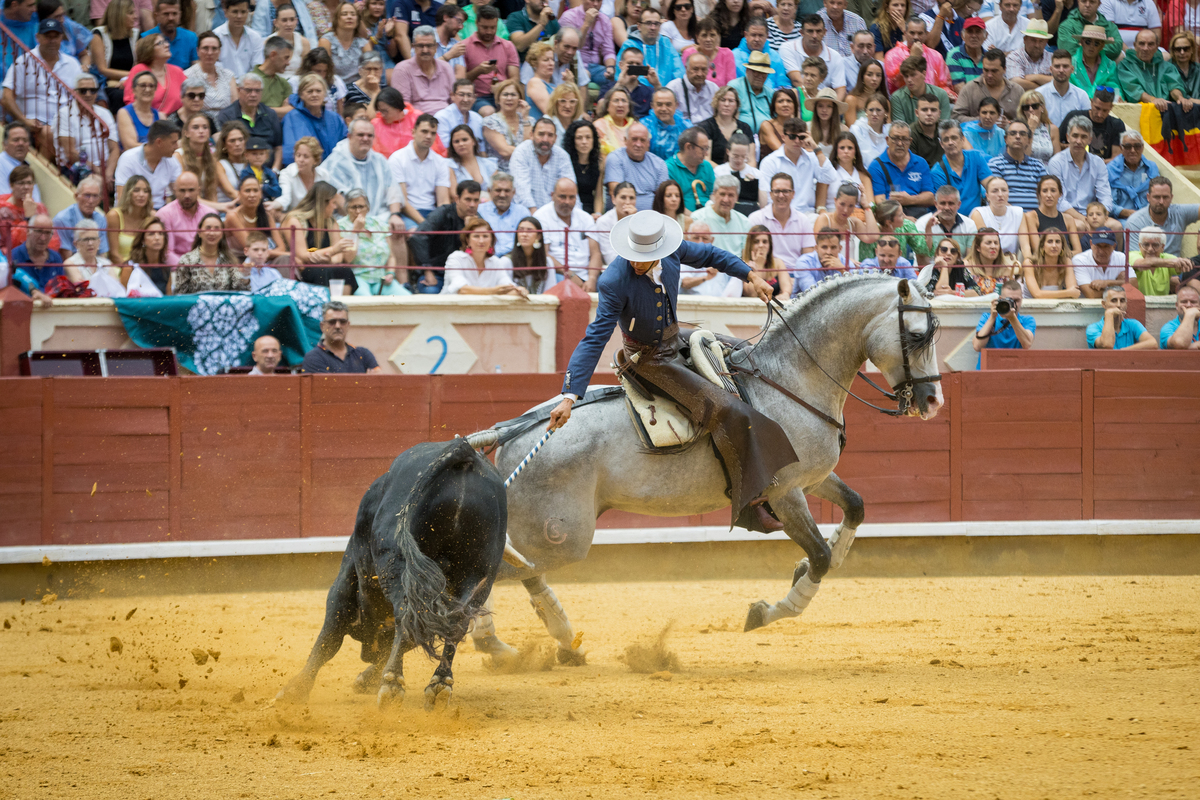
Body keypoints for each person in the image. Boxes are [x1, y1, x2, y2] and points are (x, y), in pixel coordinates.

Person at [549, 207, 788, 531]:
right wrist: (569, 396)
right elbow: (594, 339)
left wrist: (751, 275)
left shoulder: (673, 253)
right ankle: (750, 505)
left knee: (745, 353)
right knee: (732, 411)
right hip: (649, 361)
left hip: (675, 339)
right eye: (632, 255)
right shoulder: (614, 280)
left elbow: (712, 255)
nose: (635, 262)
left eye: (642, 257)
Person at [2, 19, 83, 143]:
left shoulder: (73, 64)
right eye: (47, 36)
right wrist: (23, 120)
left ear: (61, 37)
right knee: (48, 133)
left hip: (66, 124)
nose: (52, 41)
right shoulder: (24, 61)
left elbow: (81, 96)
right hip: (32, 125)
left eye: (56, 36)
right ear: (37, 37)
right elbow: (6, 96)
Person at [324, 118, 404, 233]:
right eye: (360, 135)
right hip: (346, 220)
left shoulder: (380, 160)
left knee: (398, 232)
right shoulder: (335, 163)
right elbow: (335, 197)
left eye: (369, 135)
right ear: (349, 136)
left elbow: (393, 190)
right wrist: (360, 221)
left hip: (379, 218)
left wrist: (395, 215)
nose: (365, 139)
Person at [281, 180, 358, 292]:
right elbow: (302, 254)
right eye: (333, 203)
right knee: (321, 271)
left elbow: (338, 257)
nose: (335, 207)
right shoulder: (295, 220)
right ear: (323, 203)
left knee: (344, 270)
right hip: (302, 269)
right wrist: (332, 250)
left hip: (324, 265)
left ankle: (341, 307)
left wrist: (326, 259)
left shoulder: (331, 222)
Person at [1047, 115, 1118, 233]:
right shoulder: (1056, 162)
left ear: (1090, 140)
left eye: (1083, 137)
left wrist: (1099, 216)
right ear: (1068, 137)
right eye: (1075, 136)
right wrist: (1085, 219)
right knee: (1079, 226)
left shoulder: (1098, 162)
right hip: (1065, 215)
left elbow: (1105, 196)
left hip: (1093, 215)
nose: (1078, 141)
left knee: (1116, 227)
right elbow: (1059, 201)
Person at [410, 180, 482, 292]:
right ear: (457, 199)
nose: (472, 205)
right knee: (431, 291)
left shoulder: (479, 221)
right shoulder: (442, 213)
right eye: (468, 199)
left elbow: (483, 252)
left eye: (476, 200)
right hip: (436, 273)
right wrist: (427, 270)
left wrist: (469, 230)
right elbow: (418, 237)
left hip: (464, 275)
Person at [534, 178, 601, 289]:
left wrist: (592, 279)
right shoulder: (541, 217)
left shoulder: (585, 218)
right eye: (562, 197)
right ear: (552, 196)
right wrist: (570, 274)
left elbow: (596, 253)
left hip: (587, 274)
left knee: (608, 285)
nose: (567, 202)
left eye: (572, 197)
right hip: (558, 274)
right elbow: (543, 255)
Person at [760, 117, 836, 215]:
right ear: (783, 137)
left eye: (801, 137)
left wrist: (816, 148)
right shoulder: (770, 162)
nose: (796, 141)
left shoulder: (812, 158)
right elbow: (767, 197)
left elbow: (830, 177)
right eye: (792, 136)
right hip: (780, 214)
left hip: (808, 215)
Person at [338, 188, 406, 295]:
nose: (357, 211)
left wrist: (390, 272)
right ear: (347, 209)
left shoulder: (378, 224)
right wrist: (355, 231)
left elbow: (391, 256)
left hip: (381, 278)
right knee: (366, 301)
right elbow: (348, 258)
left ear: (368, 208)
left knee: (406, 298)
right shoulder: (340, 226)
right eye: (353, 207)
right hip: (358, 278)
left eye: (361, 206)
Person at [53, 73, 117, 186]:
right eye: (83, 91)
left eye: (93, 90)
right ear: (74, 92)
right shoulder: (64, 114)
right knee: (96, 182)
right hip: (76, 168)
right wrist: (98, 171)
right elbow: (70, 153)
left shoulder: (104, 113)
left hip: (105, 169)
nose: (88, 94)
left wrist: (108, 173)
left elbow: (114, 148)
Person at [441, 216, 528, 297]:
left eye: (485, 236)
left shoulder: (495, 262)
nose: (481, 241)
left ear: (491, 240)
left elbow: (508, 287)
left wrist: (519, 290)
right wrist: (494, 291)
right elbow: (462, 290)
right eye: (476, 236)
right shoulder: (456, 258)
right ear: (468, 240)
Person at [391, 113, 451, 225]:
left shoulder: (440, 162)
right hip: (407, 214)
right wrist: (425, 224)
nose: (429, 136)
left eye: (433, 133)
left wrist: (441, 223)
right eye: (424, 131)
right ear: (413, 132)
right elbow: (402, 201)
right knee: (417, 235)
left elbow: (443, 202)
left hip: (433, 214)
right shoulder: (397, 158)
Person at [868, 120, 934, 217]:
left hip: (919, 216)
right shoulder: (876, 166)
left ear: (910, 141)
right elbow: (879, 202)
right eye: (895, 138)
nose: (899, 143)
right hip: (890, 217)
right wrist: (904, 219)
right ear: (887, 140)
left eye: (904, 139)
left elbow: (930, 197)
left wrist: (909, 200)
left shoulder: (921, 163)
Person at [510, 117, 576, 214]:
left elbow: (570, 189)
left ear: (555, 138)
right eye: (541, 134)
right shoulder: (521, 152)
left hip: (557, 215)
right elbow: (522, 192)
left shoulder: (562, 156)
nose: (545, 139)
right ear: (531, 135)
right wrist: (537, 220)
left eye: (550, 135)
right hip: (527, 216)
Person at [464, 5, 520, 116]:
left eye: (493, 27)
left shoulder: (508, 46)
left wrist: (501, 86)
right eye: (485, 27)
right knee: (489, 112)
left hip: (504, 95)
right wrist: (478, 71)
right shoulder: (464, 46)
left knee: (522, 110)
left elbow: (515, 78)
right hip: (477, 97)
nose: (489, 31)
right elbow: (460, 81)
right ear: (476, 24)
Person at [281, 74, 348, 165]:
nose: (314, 95)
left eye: (318, 91)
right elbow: (289, 153)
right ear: (301, 95)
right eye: (310, 91)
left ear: (324, 94)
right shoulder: (292, 117)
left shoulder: (335, 118)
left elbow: (345, 146)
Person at [114, 119, 181, 210]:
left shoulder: (172, 161)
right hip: (133, 211)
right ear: (159, 142)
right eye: (173, 143)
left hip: (160, 211)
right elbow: (121, 199)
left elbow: (181, 192)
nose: (177, 147)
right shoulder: (128, 159)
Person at [300, 300, 383, 373]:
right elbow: (329, 389)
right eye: (332, 322)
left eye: (342, 321)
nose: (338, 326)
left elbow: (379, 384)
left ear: (348, 325)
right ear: (322, 326)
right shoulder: (313, 358)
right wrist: (366, 383)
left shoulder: (364, 355)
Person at [604, 122, 669, 212]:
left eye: (642, 140)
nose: (638, 144)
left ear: (648, 143)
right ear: (625, 140)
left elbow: (663, 197)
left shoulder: (659, 164)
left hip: (653, 217)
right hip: (623, 216)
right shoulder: (615, 158)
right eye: (634, 139)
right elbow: (616, 193)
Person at [1118, 28, 1187, 113]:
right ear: (1135, 45)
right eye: (1141, 44)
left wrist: (1180, 98)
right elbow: (1135, 90)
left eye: (1150, 44)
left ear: (1157, 46)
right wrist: (1153, 99)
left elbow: (1174, 85)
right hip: (1138, 112)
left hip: (1166, 112)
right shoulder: (1125, 66)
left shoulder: (1167, 66)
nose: (1146, 48)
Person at [1128, 178, 1200, 258]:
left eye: (1165, 197)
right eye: (1157, 197)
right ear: (1148, 197)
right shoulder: (1135, 221)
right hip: (1146, 268)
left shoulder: (1179, 212)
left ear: (1171, 198)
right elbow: (1135, 261)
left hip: (1174, 269)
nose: (1161, 201)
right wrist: (1170, 263)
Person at [174, 213, 248, 291]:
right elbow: (180, 295)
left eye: (217, 229)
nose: (212, 233)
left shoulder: (229, 260)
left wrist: (245, 276)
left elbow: (240, 291)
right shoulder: (186, 260)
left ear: (222, 233)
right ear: (199, 232)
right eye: (208, 228)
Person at [930, 119, 990, 214]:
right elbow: (944, 207)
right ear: (941, 144)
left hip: (977, 218)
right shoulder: (937, 171)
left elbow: (991, 186)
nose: (950, 142)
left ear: (962, 139)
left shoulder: (976, 157)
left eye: (954, 138)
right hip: (952, 221)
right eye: (946, 139)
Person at [393, 25, 454, 115]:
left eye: (429, 46)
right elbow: (403, 107)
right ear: (413, 47)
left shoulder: (446, 67)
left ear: (435, 47)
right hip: (417, 121)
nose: (425, 50)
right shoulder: (402, 69)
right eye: (421, 46)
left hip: (446, 120)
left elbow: (454, 100)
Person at [617, 5, 684, 89]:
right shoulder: (629, 45)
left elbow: (679, 71)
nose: (653, 27)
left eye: (656, 24)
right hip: (638, 94)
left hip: (666, 95)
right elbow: (621, 75)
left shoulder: (666, 43)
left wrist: (670, 91)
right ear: (639, 26)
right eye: (648, 23)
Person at [89, 0, 140, 110]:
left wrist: (128, 79)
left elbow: (140, 66)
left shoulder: (136, 34)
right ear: (118, 15)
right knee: (119, 96)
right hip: (106, 84)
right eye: (131, 13)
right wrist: (131, 76)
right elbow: (102, 69)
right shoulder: (98, 34)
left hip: (130, 82)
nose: (135, 17)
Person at [987, 121, 1048, 211]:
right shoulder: (995, 164)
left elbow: (1046, 195)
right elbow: (995, 198)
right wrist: (1020, 216)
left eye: (1022, 134)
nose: (1018, 136)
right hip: (1006, 218)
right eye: (1013, 133)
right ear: (1006, 139)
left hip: (1035, 219)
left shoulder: (1038, 166)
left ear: (1029, 140)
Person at [972, 279, 1035, 367]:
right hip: (987, 374)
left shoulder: (1027, 320)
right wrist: (992, 317)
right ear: (1000, 299)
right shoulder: (987, 318)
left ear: (1022, 300)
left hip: (1014, 375)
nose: (1013, 304)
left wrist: (1012, 318)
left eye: (1017, 300)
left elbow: (1027, 344)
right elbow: (977, 346)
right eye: (1009, 300)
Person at [173, 113, 233, 205]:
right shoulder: (178, 156)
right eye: (195, 127)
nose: (201, 131)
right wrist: (219, 207)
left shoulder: (212, 157)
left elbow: (212, 193)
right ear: (186, 133)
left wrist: (214, 213)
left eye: (205, 127)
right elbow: (186, 195)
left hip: (206, 207)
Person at [782, 14, 847, 97]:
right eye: (810, 31)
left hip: (826, 104)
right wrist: (813, 104)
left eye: (818, 31)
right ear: (801, 32)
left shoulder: (835, 56)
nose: (814, 36)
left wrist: (834, 107)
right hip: (799, 100)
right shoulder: (788, 48)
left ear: (824, 32)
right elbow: (797, 80)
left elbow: (840, 89)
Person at [156, 170, 217, 259]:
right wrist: (187, 268)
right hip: (177, 268)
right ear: (175, 191)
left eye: (191, 190)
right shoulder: (165, 214)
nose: (187, 195)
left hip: (206, 265)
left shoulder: (210, 213)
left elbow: (217, 249)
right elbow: (167, 253)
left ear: (198, 191)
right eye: (182, 190)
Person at [122, 32, 185, 115]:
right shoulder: (139, 69)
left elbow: (188, 98)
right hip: (145, 120)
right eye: (160, 43)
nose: (167, 45)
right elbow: (130, 100)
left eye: (165, 42)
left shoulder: (177, 71)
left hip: (174, 124)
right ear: (148, 49)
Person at [1022, 174, 1082, 260]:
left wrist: (1056, 255)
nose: (1049, 195)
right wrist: (1063, 254)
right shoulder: (1031, 216)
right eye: (1045, 191)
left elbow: (1078, 251)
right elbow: (1037, 249)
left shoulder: (1068, 219)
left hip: (1064, 265)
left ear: (1060, 194)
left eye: (1053, 190)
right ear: (1039, 194)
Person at [952, 48, 1021, 124]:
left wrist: (1008, 124)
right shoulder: (969, 89)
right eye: (986, 70)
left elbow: (1025, 119)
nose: (989, 75)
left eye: (994, 71)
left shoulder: (1017, 90)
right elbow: (956, 117)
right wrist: (981, 121)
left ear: (1004, 69)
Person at [0, 165, 57, 251]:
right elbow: (12, 242)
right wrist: (29, 219)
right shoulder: (3, 210)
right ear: (11, 186)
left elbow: (53, 239)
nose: (26, 187)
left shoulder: (40, 208)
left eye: (29, 183)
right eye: (21, 183)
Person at [560, 0, 616, 88]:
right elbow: (574, 47)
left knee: (616, 78)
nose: (596, 4)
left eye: (599, 1)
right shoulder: (569, 17)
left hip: (596, 68)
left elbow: (608, 51)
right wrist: (586, 23)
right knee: (585, 75)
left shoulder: (605, 21)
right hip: (574, 64)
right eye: (592, 0)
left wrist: (610, 67)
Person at [691, 174, 750, 256]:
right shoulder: (698, 218)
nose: (726, 200)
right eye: (722, 194)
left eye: (731, 195)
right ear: (714, 195)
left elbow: (745, 256)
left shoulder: (744, 222)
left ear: (737, 198)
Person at [481, 78, 532, 170]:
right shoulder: (490, 121)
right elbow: (505, 151)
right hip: (501, 174)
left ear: (520, 99)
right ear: (498, 99)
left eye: (513, 95)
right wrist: (531, 152)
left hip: (526, 170)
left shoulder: (529, 121)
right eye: (505, 95)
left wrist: (525, 118)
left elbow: (529, 143)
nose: (509, 98)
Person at [185, 31, 238, 120]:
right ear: (198, 51)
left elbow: (235, 106)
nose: (210, 53)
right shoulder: (188, 76)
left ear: (219, 52)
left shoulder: (228, 75)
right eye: (205, 48)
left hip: (227, 123)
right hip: (201, 124)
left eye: (214, 48)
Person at [695, 85, 754, 165]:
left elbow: (751, 160)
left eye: (731, 101)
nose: (726, 104)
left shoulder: (745, 128)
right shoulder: (706, 127)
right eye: (723, 100)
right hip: (715, 172)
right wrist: (724, 172)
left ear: (736, 105)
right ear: (716, 103)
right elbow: (706, 158)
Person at [970, 176, 1028, 257]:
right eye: (995, 191)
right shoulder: (978, 213)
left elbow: (1025, 247)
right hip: (987, 262)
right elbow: (985, 247)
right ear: (987, 196)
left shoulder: (1018, 212)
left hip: (1011, 262)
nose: (1000, 194)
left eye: (1004, 190)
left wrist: (1028, 262)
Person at [272, 136, 332, 215]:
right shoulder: (286, 174)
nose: (300, 160)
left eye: (306, 156)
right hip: (295, 219)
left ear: (315, 160)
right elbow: (285, 198)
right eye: (298, 155)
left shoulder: (324, 175)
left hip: (318, 218)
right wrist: (273, 205)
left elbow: (328, 201)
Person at [10, 215, 64, 302]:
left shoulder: (56, 258)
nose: (43, 238)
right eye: (39, 232)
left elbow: (62, 289)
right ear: (28, 231)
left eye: (47, 233)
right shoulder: (13, 256)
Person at [1108, 131, 1158, 222]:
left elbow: (1158, 196)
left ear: (1142, 147)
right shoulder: (1111, 170)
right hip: (1121, 219)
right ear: (1121, 148)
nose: (1132, 150)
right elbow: (1106, 202)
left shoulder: (1151, 168)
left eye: (1137, 146)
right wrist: (1124, 212)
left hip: (1148, 217)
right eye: (1127, 146)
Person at [1083, 285, 1154, 349]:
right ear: (1104, 304)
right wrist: (1109, 314)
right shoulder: (1093, 328)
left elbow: (1152, 343)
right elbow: (1107, 344)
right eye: (1114, 301)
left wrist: (1123, 352)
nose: (1119, 305)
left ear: (1126, 304)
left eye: (1122, 301)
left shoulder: (1132, 324)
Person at [63, 220, 121, 296]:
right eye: (86, 239)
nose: (90, 243)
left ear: (99, 242)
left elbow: (115, 288)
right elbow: (82, 289)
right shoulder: (70, 264)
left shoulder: (106, 263)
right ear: (76, 244)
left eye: (93, 239)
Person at [53, 175, 107, 258]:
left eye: (95, 196)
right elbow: (67, 258)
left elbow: (103, 253)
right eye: (87, 195)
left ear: (100, 199)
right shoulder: (62, 219)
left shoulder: (101, 219)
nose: (91, 201)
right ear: (76, 196)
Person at [666, 126, 715, 213]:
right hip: (684, 218)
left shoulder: (707, 166)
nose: (706, 154)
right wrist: (695, 219)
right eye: (703, 149)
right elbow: (672, 204)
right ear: (688, 147)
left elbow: (713, 195)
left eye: (707, 149)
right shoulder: (669, 168)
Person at [917, 183, 978, 253]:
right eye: (942, 203)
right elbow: (922, 257)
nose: (946, 208)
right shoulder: (922, 223)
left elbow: (970, 259)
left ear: (958, 205)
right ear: (936, 204)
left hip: (961, 264)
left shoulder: (969, 225)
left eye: (951, 203)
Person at [715, 133, 766, 215]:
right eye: (735, 156)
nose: (739, 160)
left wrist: (753, 186)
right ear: (728, 151)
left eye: (743, 156)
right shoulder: (718, 171)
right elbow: (713, 199)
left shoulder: (756, 174)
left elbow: (763, 205)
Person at [1023, 227, 1082, 299]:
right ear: (1042, 246)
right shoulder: (1029, 263)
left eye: (1057, 242)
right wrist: (1068, 292)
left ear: (1062, 246)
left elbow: (1074, 293)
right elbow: (1037, 294)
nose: (1054, 246)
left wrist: (1070, 293)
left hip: (1055, 307)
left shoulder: (1066, 262)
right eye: (1050, 241)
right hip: (1029, 308)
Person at [732, 16, 788, 91]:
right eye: (753, 35)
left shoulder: (775, 56)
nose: (757, 39)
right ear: (746, 35)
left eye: (761, 35)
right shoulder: (733, 56)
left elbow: (783, 84)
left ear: (767, 36)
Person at [591, 180, 641, 265]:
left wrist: (634, 222)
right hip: (615, 268)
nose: (628, 202)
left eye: (631, 198)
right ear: (613, 199)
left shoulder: (640, 221)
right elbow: (610, 258)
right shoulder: (604, 222)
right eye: (623, 197)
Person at [562, 119, 603, 218]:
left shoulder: (599, 163)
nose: (584, 142)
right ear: (573, 141)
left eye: (588, 137)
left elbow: (598, 195)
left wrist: (597, 214)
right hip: (570, 209)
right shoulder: (565, 162)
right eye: (579, 138)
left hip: (590, 211)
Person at [317, 1, 368, 83]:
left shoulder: (364, 43)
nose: (349, 17)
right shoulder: (326, 41)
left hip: (358, 88)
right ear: (337, 19)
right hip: (334, 87)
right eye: (344, 14)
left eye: (353, 14)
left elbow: (370, 72)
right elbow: (323, 72)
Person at [124, 214, 176, 294]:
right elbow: (122, 298)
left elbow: (169, 301)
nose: (157, 238)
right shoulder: (131, 267)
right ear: (143, 240)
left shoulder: (165, 268)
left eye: (160, 233)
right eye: (151, 234)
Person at [1126, 225, 1184, 297]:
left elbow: (1182, 266)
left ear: (1162, 247)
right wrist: (1168, 262)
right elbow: (1142, 264)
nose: (1150, 249)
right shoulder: (1131, 255)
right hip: (1138, 304)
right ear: (1139, 246)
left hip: (1162, 306)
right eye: (1146, 244)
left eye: (1155, 245)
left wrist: (1185, 262)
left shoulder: (1166, 257)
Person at [1057, 0, 1123, 62]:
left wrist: (1081, 46)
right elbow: (1069, 51)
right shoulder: (1066, 26)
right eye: (1083, 1)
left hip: (1104, 69)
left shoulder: (1110, 26)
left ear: (1099, 4)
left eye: (1092, 1)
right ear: (1078, 2)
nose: (1087, 5)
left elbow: (1116, 49)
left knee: (1121, 56)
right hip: (1076, 69)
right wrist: (1103, 45)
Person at [1041, 48, 1091, 128]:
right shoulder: (1040, 94)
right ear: (1051, 69)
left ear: (1072, 69)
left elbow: (1087, 126)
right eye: (1057, 66)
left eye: (1065, 66)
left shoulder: (1082, 96)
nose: (1061, 70)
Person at [478, 171, 524, 257]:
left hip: (515, 258)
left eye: (507, 191)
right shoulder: (480, 211)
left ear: (513, 192)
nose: (502, 195)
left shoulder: (522, 212)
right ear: (489, 191)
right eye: (498, 190)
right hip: (486, 258)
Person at [1069, 24, 1120, 99]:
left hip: (1101, 106)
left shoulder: (1110, 65)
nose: (1091, 46)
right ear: (1082, 42)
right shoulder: (1071, 63)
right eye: (1088, 42)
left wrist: (1118, 97)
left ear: (1102, 46)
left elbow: (1114, 87)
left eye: (1096, 43)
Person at [683, 16, 736, 87]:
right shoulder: (689, 53)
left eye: (712, 35)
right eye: (704, 35)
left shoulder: (727, 54)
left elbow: (731, 84)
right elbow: (686, 81)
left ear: (718, 37)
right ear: (697, 37)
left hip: (721, 96)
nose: (708, 39)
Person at [1072, 229, 1126, 298]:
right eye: (1098, 246)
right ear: (1091, 244)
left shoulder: (1121, 257)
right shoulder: (1080, 260)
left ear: (1114, 246)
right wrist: (1120, 284)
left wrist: (1108, 283)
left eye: (1106, 246)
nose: (1101, 251)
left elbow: (1134, 286)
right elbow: (1091, 294)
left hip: (1116, 305)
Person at [447, 124, 497, 198]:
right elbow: (454, 195)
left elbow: (496, 192)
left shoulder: (489, 164)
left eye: (465, 140)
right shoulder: (449, 166)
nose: (461, 144)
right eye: (456, 141)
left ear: (473, 141)